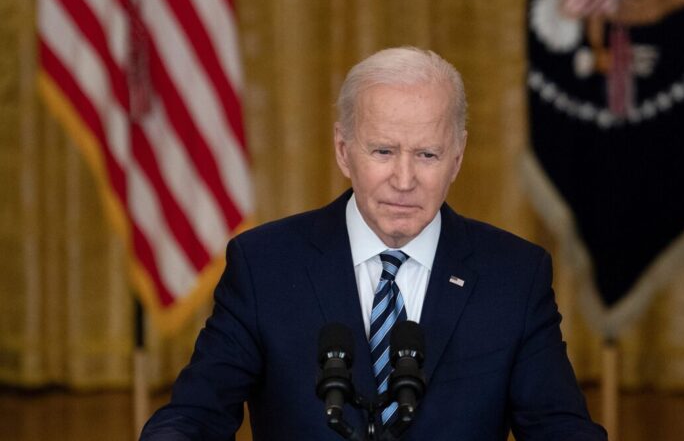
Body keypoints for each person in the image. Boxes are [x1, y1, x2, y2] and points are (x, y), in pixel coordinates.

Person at [140, 47, 606, 441]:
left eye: (427, 154)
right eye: (383, 151)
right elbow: (195, 415)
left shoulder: (514, 276)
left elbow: (559, 427)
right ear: (344, 151)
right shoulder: (265, 265)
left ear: (457, 157)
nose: (404, 180)